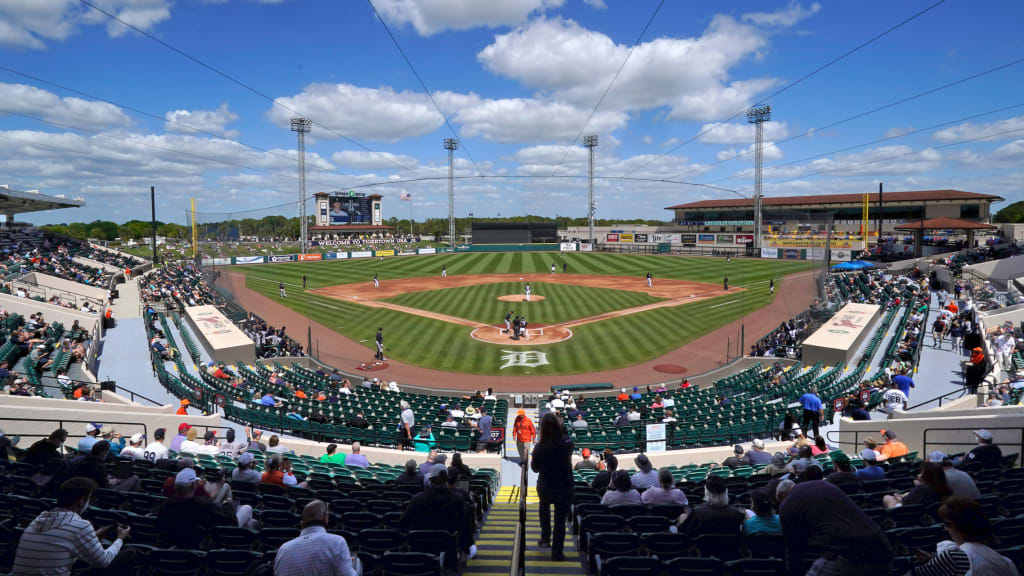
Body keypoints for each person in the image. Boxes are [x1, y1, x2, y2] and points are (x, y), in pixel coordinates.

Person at [12, 477, 133, 576]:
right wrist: (120, 539)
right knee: (130, 553)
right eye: (89, 498)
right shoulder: (80, 526)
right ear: (81, 501)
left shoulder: (39, 519)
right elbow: (103, 561)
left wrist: (95, 536)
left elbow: (61, 542)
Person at [779, 479, 893, 575]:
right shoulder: (822, 484)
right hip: (882, 546)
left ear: (780, 496)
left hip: (851, 554)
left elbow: (793, 550)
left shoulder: (787, 505)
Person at [907, 497, 1019, 576]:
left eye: (947, 524)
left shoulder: (953, 556)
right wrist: (934, 560)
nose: (945, 529)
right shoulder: (1005, 561)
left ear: (958, 526)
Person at [156, 468, 253, 548]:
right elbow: (231, 522)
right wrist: (228, 505)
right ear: (193, 485)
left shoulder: (165, 505)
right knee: (247, 508)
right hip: (204, 545)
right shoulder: (202, 504)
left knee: (252, 522)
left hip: (177, 544)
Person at [531, 412, 574, 561]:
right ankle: (557, 553)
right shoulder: (566, 444)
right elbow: (569, 442)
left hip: (546, 485)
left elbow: (535, 468)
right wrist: (562, 429)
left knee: (544, 508)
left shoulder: (539, 447)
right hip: (563, 486)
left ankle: (545, 538)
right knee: (560, 521)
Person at [275, 500, 358, 576]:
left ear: (302, 522)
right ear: (325, 517)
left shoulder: (283, 550)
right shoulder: (337, 542)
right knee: (357, 562)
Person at [678, 475, 744, 536]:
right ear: (726, 492)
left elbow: (683, 530)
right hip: (730, 545)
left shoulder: (697, 512)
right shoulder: (736, 513)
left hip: (703, 545)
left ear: (706, 492)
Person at [884, 462, 952, 509]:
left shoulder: (922, 488)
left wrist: (896, 495)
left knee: (887, 498)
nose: (918, 474)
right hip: (930, 512)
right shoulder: (945, 487)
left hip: (914, 512)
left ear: (927, 475)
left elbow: (904, 501)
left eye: (921, 472)